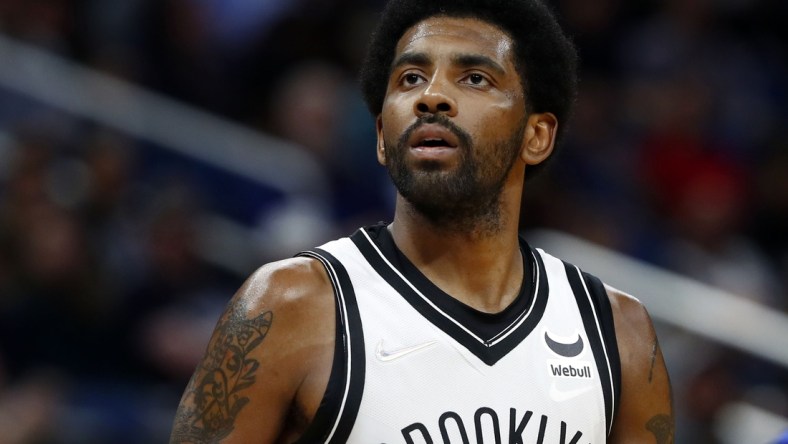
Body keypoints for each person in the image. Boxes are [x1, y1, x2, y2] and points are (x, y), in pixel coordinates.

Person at [168, 0, 673, 442]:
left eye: (475, 78)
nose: (431, 96)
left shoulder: (617, 333)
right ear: (383, 137)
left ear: (536, 136)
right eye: (410, 78)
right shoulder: (291, 306)